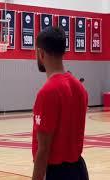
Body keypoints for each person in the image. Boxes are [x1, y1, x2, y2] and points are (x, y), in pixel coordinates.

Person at [32, 27, 89, 180]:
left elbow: (43, 150)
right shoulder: (79, 87)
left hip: (56, 173)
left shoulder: (47, 92)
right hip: (79, 170)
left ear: (41, 53)